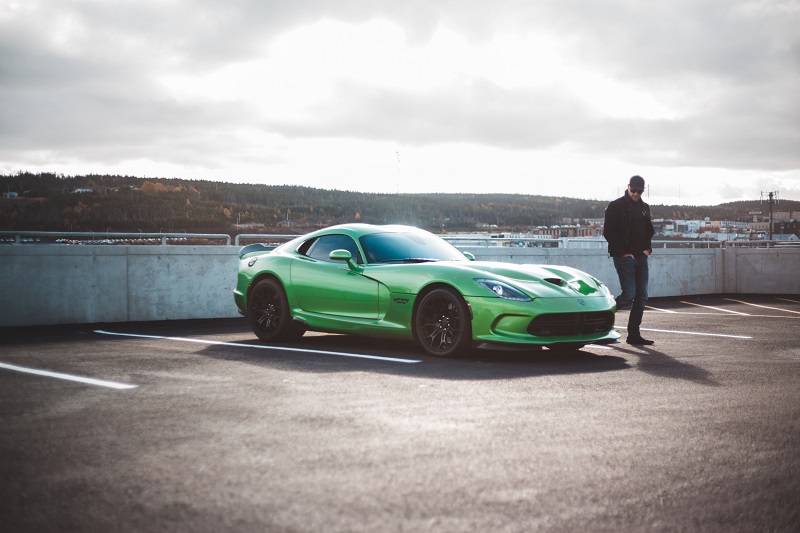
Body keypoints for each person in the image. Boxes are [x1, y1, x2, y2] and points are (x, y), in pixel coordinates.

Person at [604, 175, 655, 345]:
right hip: (625, 257)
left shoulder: (644, 207)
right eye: (633, 190)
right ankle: (602, 317)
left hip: (641, 257)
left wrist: (648, 248)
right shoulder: (615, 206)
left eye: (639, 191)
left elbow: (648, 230)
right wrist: (623, 252)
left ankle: (634, 334)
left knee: (642, 296)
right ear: (628, 187)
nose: (636, 194)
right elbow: (609, 232)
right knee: (629, 294)